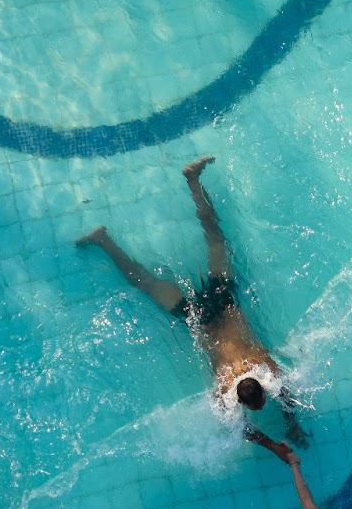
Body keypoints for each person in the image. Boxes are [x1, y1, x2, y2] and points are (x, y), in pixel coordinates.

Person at [76, 155, 307, 444]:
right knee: (150, 279)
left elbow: (243, 425)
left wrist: (278, 438)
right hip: (205, 312)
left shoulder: (240, 378)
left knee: (213, 240)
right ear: (256, 393)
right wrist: (290, 429)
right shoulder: (253, 371)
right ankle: (104, 237)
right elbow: (280, 401)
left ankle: (189, 181)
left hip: (218, 306)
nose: (260, 406)